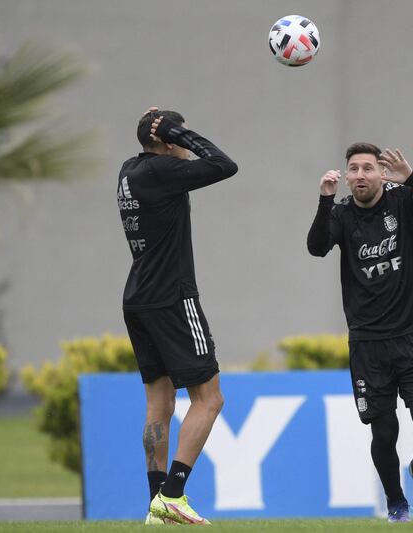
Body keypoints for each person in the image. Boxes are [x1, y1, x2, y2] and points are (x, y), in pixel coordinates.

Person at [307, 143, 413, 522]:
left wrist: (411, 176)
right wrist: (324, 201)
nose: (360, 175)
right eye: (354, 169)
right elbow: (316, 248)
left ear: (381, 173)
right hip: (367, 343)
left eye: (368, 168)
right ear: (347, 176)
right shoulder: (341, 212)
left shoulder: (403, 200)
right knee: (383, 430)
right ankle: (396, 504)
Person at [117, 107, 238, 525]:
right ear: (168, 142)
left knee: (159, 403)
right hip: (172, 299)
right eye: (178, 138)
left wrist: (166, 134)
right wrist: (181, 135)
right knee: (210, 398)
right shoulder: (163, 171)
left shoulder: (130, 170)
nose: (185, 146)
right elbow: (225, 165)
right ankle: (174, 493)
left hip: (138, 299)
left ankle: (156, 507)